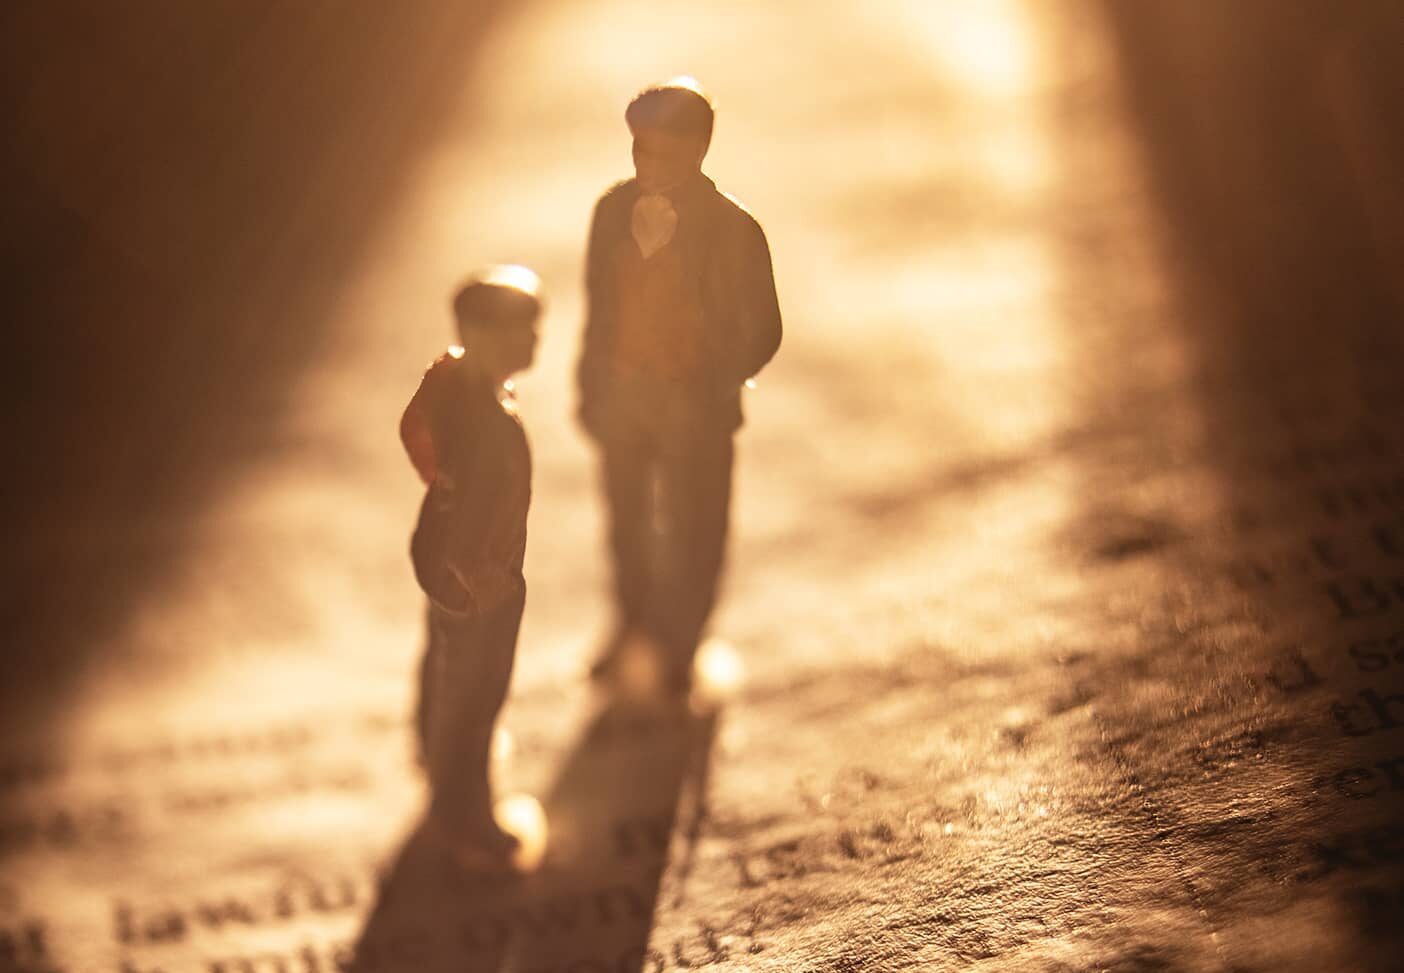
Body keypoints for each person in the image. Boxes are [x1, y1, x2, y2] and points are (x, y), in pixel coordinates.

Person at [577, 77, 782, 695]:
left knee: (696, 524)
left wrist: (711, 383)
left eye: (662, 150)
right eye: (639, 147)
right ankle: (633, 624)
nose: (645, 162)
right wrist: (592, 384)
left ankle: (682, 644)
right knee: (627, 517)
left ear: (698, 150)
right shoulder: (612, 211)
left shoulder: (735, 229)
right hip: (625, 396)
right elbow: (598, 307)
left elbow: (765, 330)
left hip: (695, 405)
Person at [400, 264, 542, 871]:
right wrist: (486, 582)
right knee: (475, 699)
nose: (535, 341)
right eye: (521, 329)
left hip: (446, 571)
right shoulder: (484, 421)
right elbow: (470, 525)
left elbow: (415, 435)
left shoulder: (452, 382)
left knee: (445, 674)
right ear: (481, 333)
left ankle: (435, 760)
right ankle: (462, 818)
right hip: (475, 583)